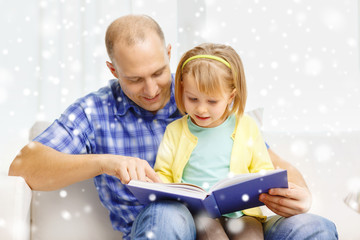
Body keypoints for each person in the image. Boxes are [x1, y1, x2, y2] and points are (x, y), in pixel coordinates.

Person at [8, 14, 338, 240]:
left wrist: (299, 196)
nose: (151, 90)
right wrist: (105, 163)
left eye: (158, 73)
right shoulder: (94, 111)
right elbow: (26, 167)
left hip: (241, 224)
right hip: (164, 227)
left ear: (169, 54)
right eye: (134, 79)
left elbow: (274, 164)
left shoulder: (199, 95)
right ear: (113, 70)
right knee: (167, 213)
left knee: (314, 226)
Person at [154, 42, 274, 239]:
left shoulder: (247, 126)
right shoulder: (174, 131)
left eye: (212, 101)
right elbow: (163, 172)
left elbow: (263, 170)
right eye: (192, 99)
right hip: (199, 214)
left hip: (243, 213)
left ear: (230, 96)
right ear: (182, 89)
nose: (201, 109)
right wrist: (162, 186)